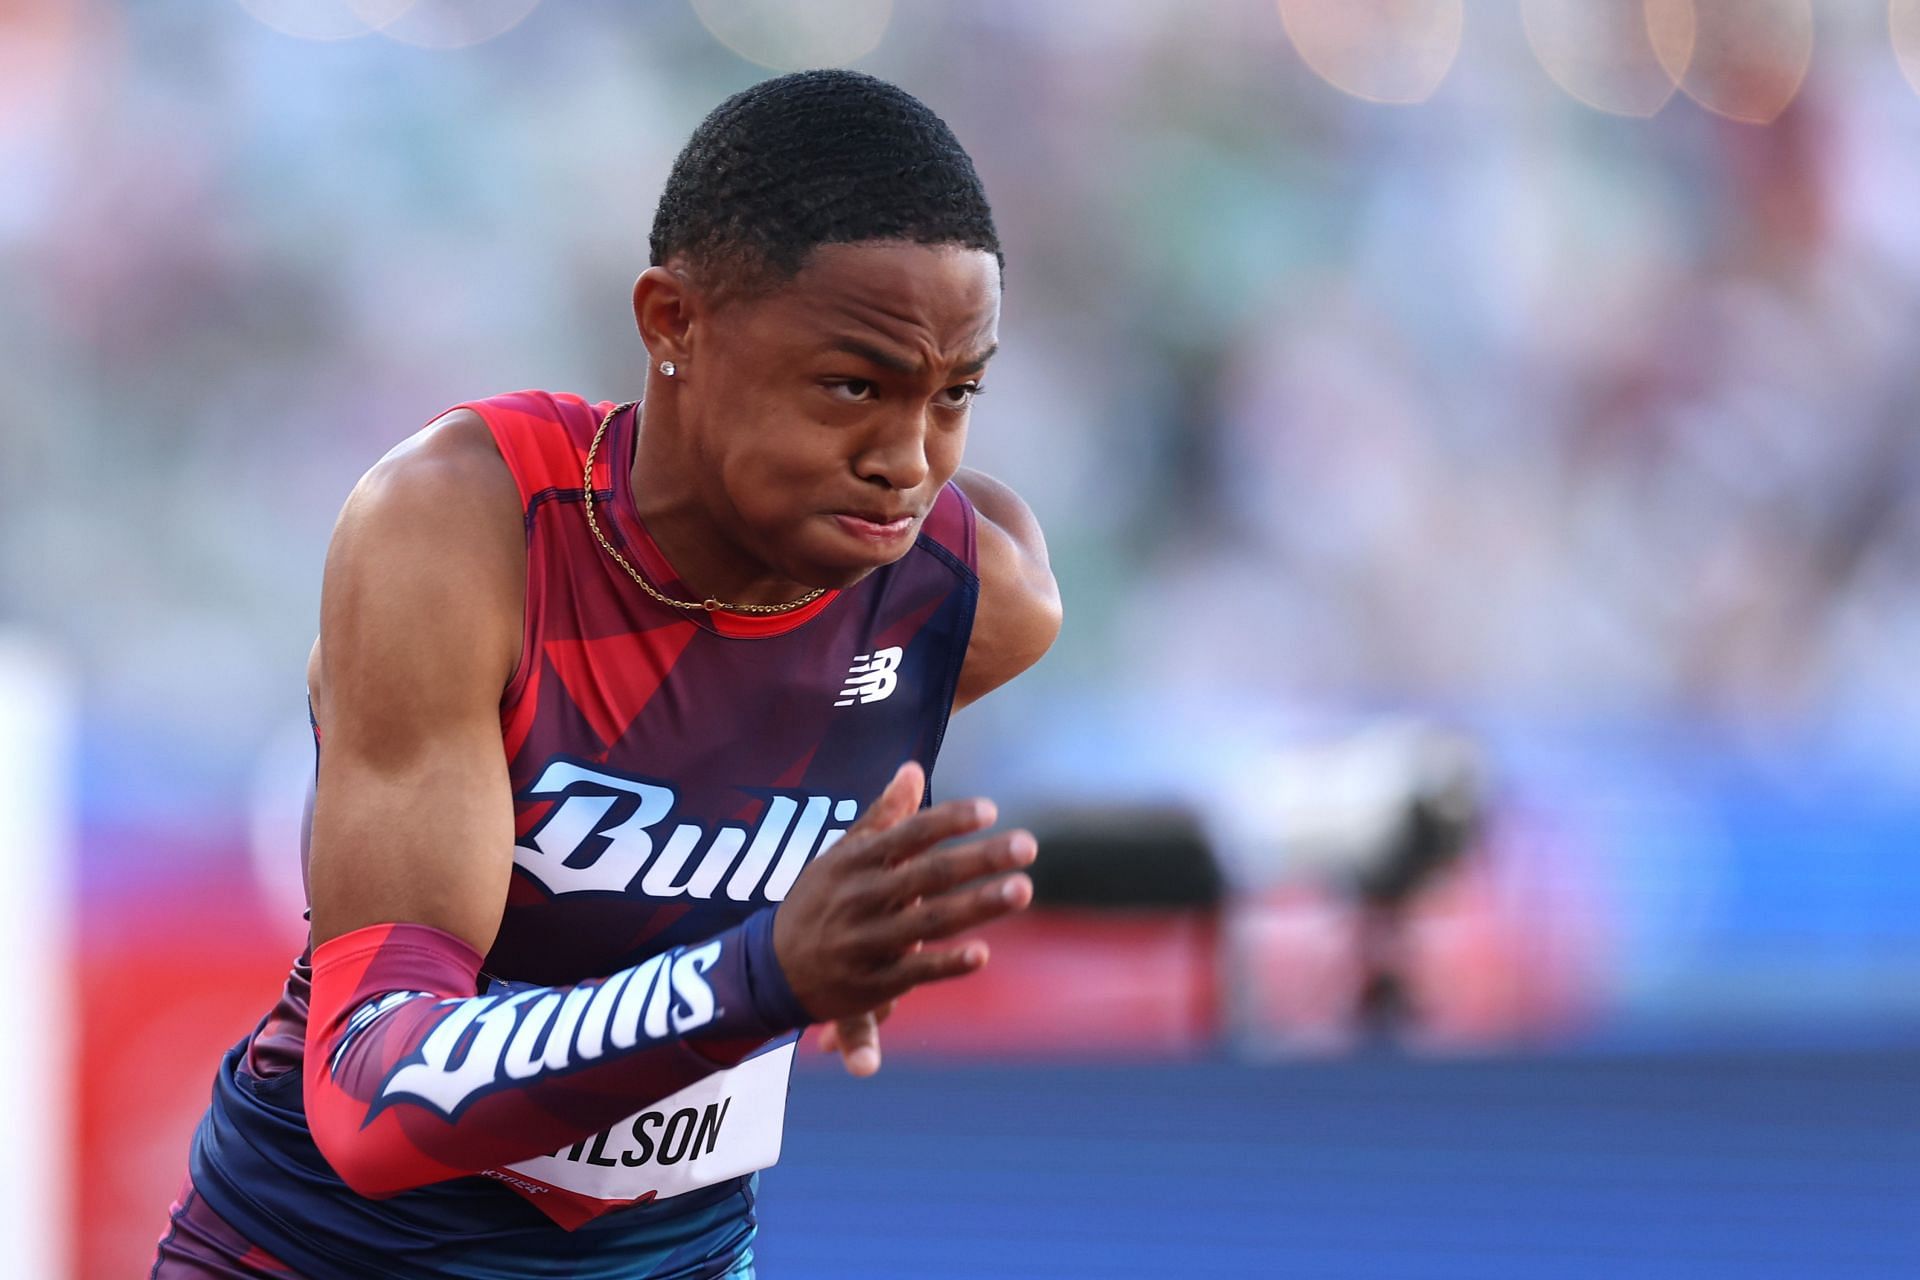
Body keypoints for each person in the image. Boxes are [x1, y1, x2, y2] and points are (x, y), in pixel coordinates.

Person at [152, 69, 1061, 1279]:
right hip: (331, 1253)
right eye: (854, 386)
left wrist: (811, 950)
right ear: (671, 321)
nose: (906, 460)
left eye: (953, 395)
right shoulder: (464, 530)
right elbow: (371, 1092)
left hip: (676, 1256)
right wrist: (767, 971)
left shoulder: (971, 597)